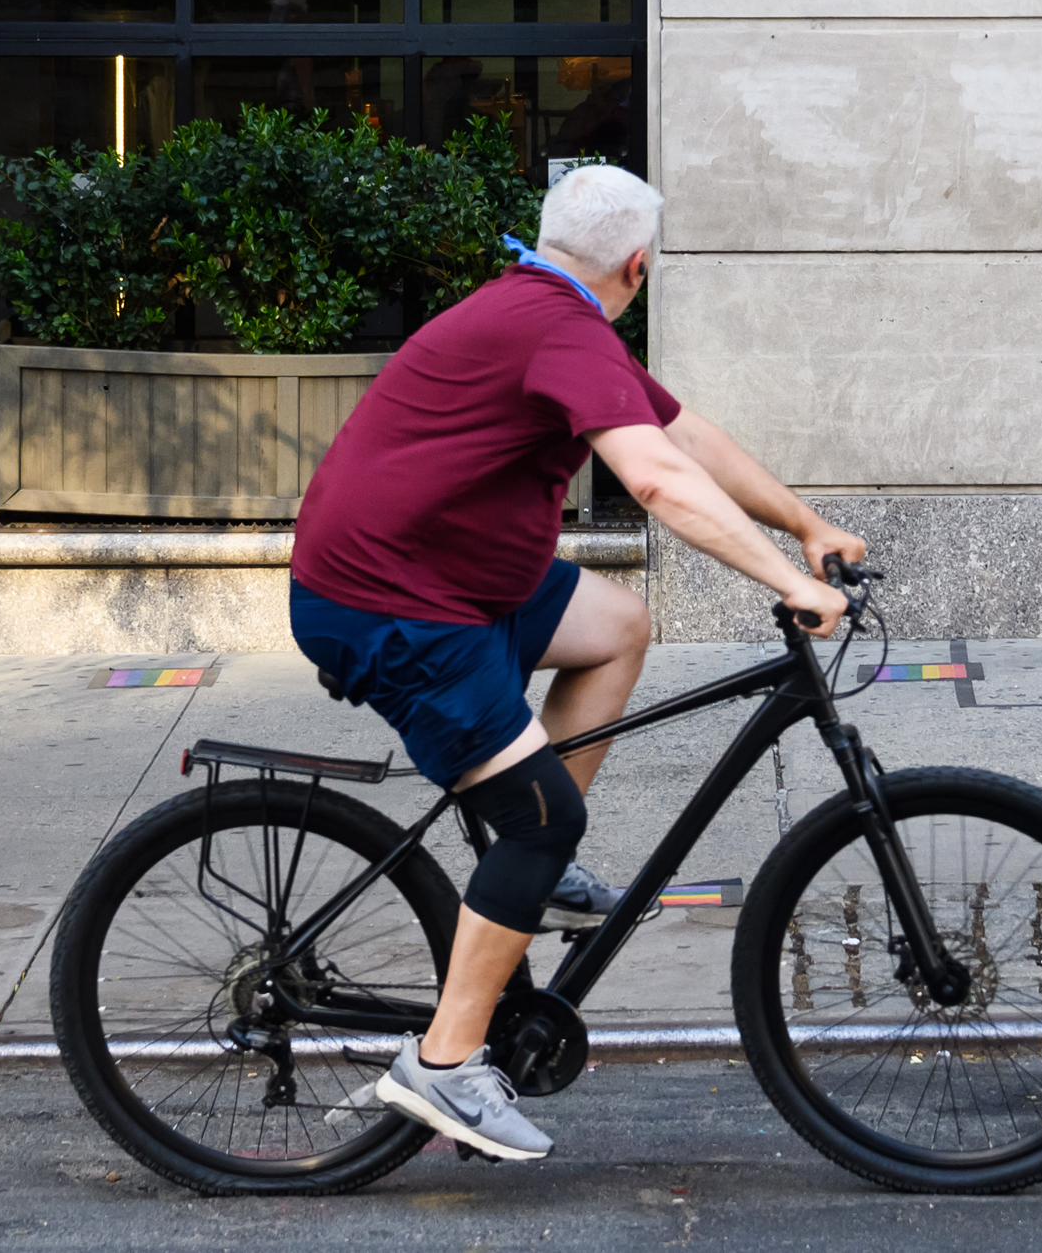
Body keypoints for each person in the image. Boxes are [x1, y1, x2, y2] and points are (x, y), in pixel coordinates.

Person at [287, 162, 867, 1164]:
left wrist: (806, 523)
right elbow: (652, 476)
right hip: (391, 604)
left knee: (617, 623)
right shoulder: (555, 328)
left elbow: (688, 436)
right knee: (541, 812)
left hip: (452, 582)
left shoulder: (551, 311)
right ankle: (445, 1060)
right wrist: (787, 578)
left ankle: (540, 874)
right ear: (636, 264)